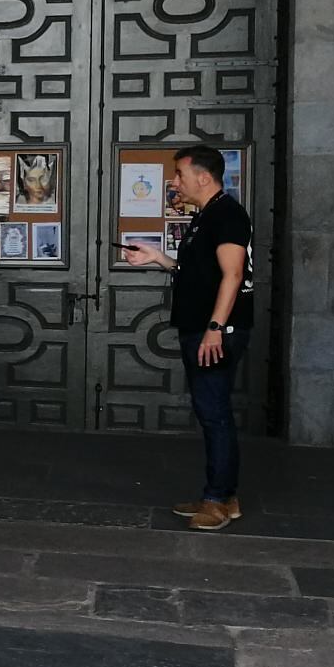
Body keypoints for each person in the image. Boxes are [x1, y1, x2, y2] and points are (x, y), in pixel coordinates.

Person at [121, 146, 252, 531]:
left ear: (204, 177)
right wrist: (156, 257)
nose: (174, 181)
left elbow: (233, 275)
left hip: (216, 331)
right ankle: (223, 494)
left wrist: (215, 328)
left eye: (180, 174)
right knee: (210, 410)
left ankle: (218, 500)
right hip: (201, 328)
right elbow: (196, 272)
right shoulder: (206, 216)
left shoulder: (227, 214)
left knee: (214, 412)